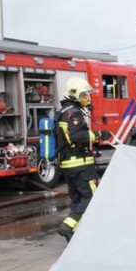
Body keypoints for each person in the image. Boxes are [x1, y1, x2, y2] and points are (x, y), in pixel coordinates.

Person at [54, 77, 112, 241]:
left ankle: (75, 234)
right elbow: (76, 135)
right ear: (74, 95)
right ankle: (67, 226)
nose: (87, 98)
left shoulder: (63, 111)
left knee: (78, 199)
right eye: (83, 95)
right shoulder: (74, 113)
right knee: (91, 198)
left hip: (69, 165)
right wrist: (98, 135)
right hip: (80, 165)